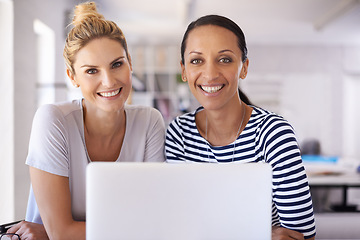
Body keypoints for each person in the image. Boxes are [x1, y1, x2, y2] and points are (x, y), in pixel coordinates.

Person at [7, 2, 165, 239]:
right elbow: (61, 232)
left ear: (130, 63)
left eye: (117, 64)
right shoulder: (53, 121)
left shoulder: (150, 122)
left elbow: (154, 219)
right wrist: (61, 232)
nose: (109, 81)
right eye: (92, 71)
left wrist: (65, 231)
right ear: (73, 76)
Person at [165, 15, 316, 240]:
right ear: (184, 70)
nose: (210, 74)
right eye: (197, 61)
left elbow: (301, 236)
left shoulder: (274, 133)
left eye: (224, 59)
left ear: (244, 67)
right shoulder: (178, 134)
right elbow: (180, 225)